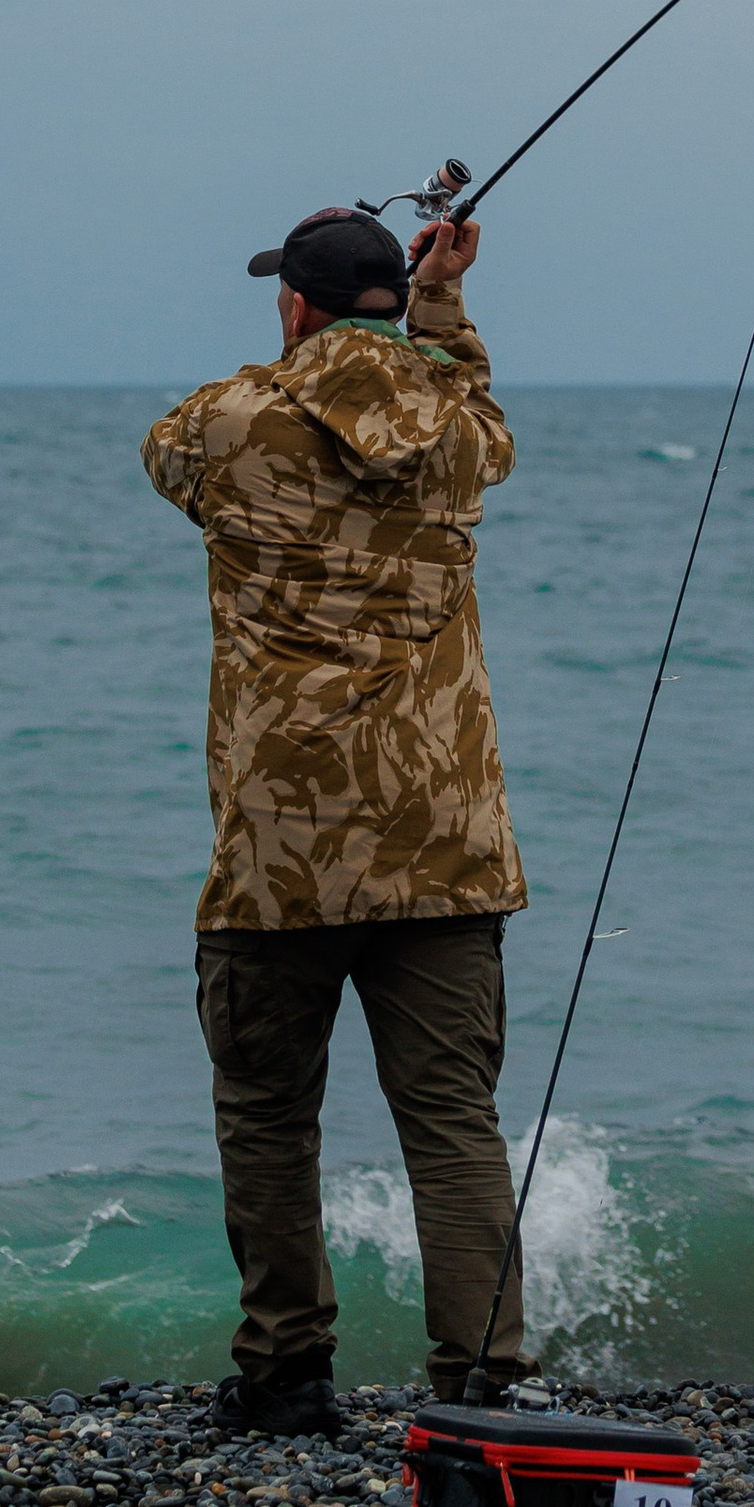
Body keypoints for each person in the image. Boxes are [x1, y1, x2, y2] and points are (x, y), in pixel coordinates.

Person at [142, 198, 534, 1437]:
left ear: (295, 304)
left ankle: (286, 1373)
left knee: (267, 1117)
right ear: (392, 304)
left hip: (279, 850)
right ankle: (481, 1381)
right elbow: (479, 418)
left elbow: (165, 450)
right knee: (451, 1122)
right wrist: (436, 313)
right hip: (444, 842)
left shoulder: (232, 422)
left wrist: (326, 349)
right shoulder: (457, 433)